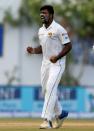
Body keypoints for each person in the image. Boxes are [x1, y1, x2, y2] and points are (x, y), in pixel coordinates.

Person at [27, 5, 72, 129]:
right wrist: (33, 50)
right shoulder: (41, 31)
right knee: (47, 90)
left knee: (50, 87)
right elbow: (43, 48)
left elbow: (68, 46)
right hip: (45, 63)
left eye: (45, 13)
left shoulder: (59, 29)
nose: (43, 15)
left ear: (51, 15)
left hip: (57, 64)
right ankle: (60, 113)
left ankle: (47, 119)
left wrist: (57, 57)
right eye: (41, 13)